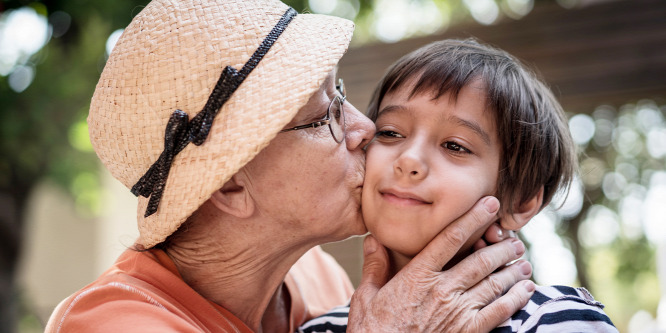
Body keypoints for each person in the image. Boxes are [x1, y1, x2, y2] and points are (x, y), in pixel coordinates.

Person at [45, 1, 536, 332]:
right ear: (232, 185)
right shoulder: (116, 323)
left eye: (339, 93)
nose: (365, 127)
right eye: (323, 116)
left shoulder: (315, 277)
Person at [299, 39, 618, 332]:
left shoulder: (564, 322)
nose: (409, 159)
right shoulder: (318, 328)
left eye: (455, 146)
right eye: (391, 133)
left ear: (520, 201)